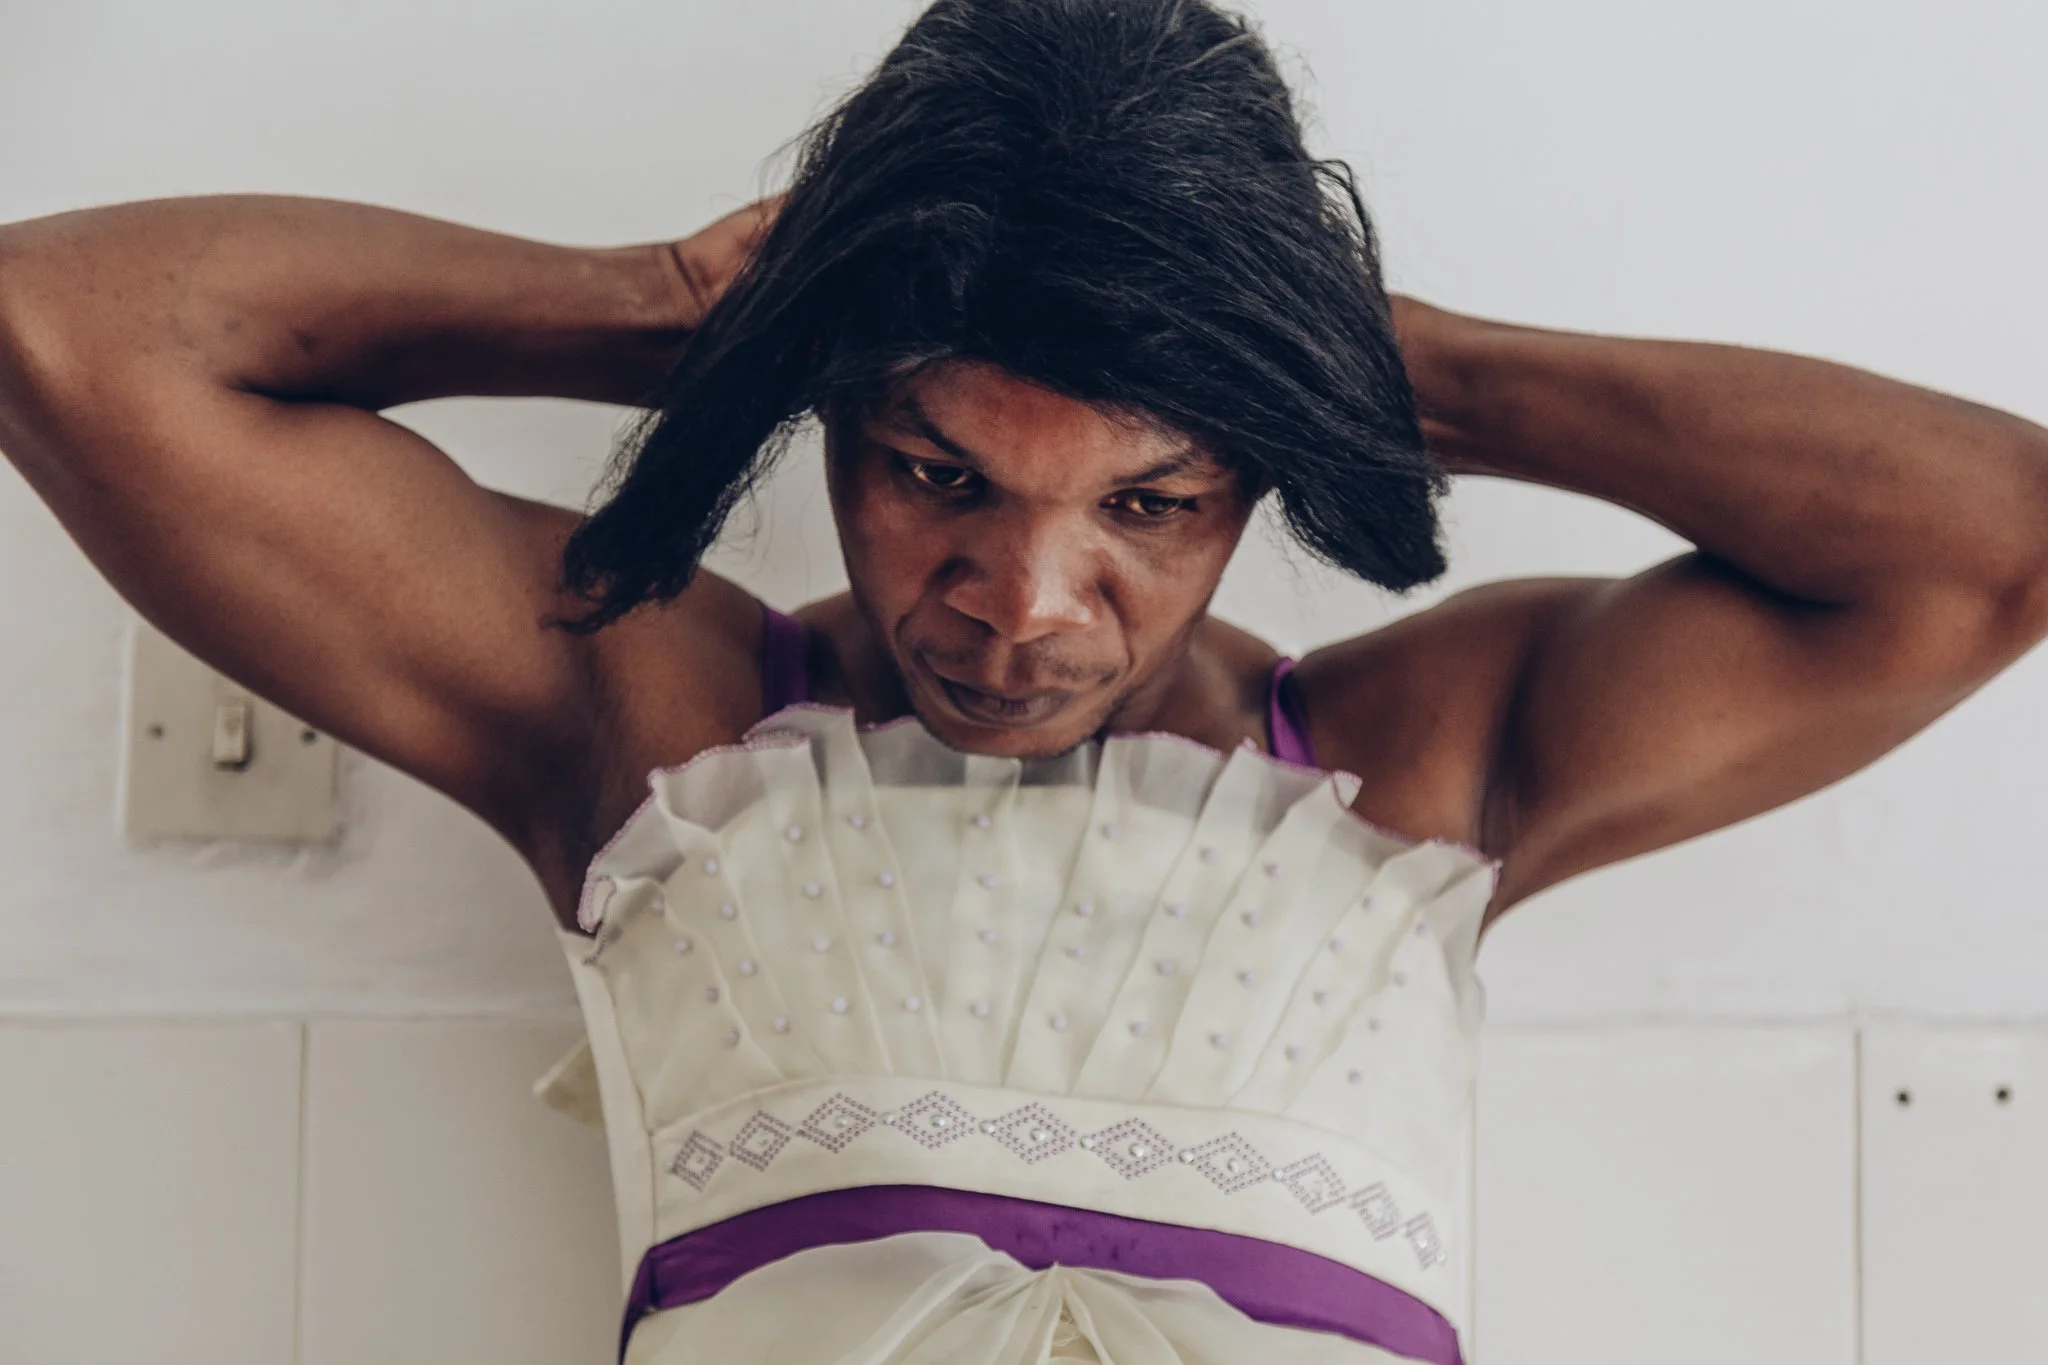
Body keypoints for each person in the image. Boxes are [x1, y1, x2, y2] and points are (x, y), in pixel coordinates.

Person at [2, 0, 2043, 1361]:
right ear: (833, 419)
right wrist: (681, 309)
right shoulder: (658, 735)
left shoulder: (1423, 778)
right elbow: (59, 329)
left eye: (1148, 502)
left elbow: (1992, 539)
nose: (1022, 607)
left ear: (1255, 473)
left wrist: (1380, 360)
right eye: (936, 476)